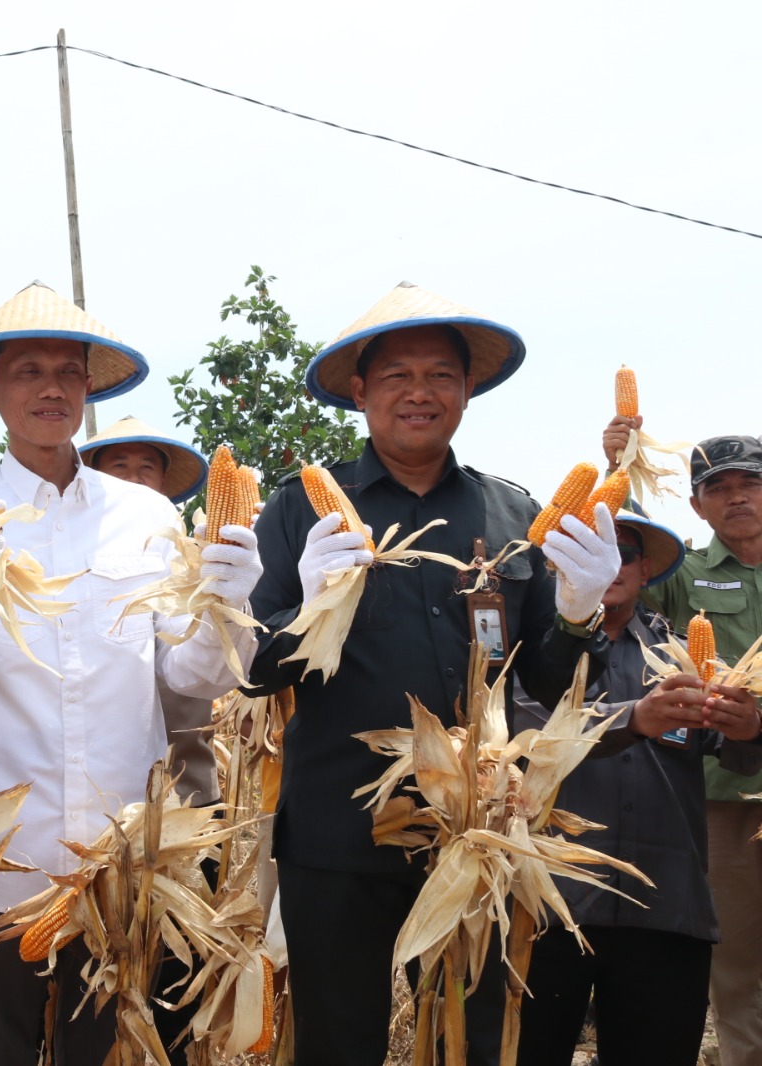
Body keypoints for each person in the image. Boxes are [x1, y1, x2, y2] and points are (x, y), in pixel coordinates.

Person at [0, 282, 263, 1064]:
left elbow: (193, 676)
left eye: (68, 371)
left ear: (91, 388)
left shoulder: (147, 516)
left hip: (121, 866)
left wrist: (227, 603)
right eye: (27, 371)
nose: (51, 388)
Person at [246, 283, 619, 1066]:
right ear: (360, 391)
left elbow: (555, 683)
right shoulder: (299, 511)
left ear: (468, 390)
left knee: (474, 1043)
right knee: (338, 1042)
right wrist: (308, 610)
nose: (421, 393)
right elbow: (251, 666)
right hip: (336, 830)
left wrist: (583, 611)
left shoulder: (512, 514)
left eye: (442, 375)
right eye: (397, 376)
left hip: (480, 830)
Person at [514, 508, 762, 1065]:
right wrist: (634, 719)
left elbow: (739, 761)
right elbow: (529, 739)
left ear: (645, 570)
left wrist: (750, 729)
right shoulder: (528, 653)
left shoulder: (686, 654)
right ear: (558, 563)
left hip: (665, 909)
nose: (606, 565)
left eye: (621, 553)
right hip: (550, 908)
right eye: (587, 550)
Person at [601, 425, 762, 1064]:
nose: (737, 498)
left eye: (750, 483)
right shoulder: (683, 575)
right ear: (696, 506)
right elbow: (611, 572)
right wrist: (617, 466)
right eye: (717, 488)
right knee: (738, 972)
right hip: (723, 797)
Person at [80, 415, 218, 1066]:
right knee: (97, 1008)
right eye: (119, 469)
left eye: (148, 469)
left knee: (171, 1004)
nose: (135, 482)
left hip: (184, 817)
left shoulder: (199, 568)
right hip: (93, 828)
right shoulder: (68, 572)